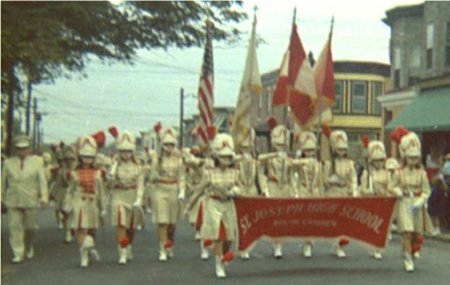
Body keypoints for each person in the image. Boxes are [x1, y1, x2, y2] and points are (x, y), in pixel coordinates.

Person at [186, 133, 241, 278]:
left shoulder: (235, 173)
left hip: (228, 204)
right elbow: (199, 191)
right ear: (216, 156)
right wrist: (188, 207)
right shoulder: (209, 174)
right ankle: (218, 263)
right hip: (213, 203)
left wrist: (235, 191)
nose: (226, 159)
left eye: (229, 157)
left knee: (229, 237)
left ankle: (223, 257)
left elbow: (240, 187)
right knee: (217, 235)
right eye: (223, 156)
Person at [1, 134, 48, 263]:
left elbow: (42, 182)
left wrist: (44, 197)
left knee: (30, 227)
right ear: (15, 149)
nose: (22, 151)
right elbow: (2, 182)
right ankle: (18, 252)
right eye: (19, 148)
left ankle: (29, 246)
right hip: (13, 200)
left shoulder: (37, 162)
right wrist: (1, 198)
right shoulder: (8, 163)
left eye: (24, 148)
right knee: (14, 227)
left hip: (30, 199)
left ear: (29, 149)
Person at [390, 127, 430, 272]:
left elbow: (426, 191)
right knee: (407, 232)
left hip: (417, 204)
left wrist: (420, 202)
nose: (413, 160)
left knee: (416, 234)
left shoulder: (422, 173)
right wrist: (398, 191)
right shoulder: (398, 172)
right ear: (404, 157)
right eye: (410, 157)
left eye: (416, 157)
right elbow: (391, 186)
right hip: (404, 202)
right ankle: (408, 260)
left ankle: (409, 251)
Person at [64, 135, 106, 268]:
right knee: (80, 229)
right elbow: (70, 191)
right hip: (79, 202)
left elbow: (101, 192)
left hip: (92, 203)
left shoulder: (98, 174)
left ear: (94, 158)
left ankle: (89, 249)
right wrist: (68, 204)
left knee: (91, 231)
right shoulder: (74, 173)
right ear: (80, 157)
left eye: (90, 157)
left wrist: (103, 206)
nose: (87, 160)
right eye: (84, 157)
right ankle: (83, 256)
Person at [259, 118, 297, 258]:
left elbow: (292, 175)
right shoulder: (269, 158)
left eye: (284, 145)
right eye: (279, 145)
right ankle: (276, 245)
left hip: (285, 188)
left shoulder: (288, 159)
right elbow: (260, 164)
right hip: (273, 187)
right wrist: (265, 190)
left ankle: (279, 245)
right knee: (274, 218)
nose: (281, 147)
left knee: (283, 219)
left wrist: (295, 191)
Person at [108, 130, 145, 265]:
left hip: (133, 195)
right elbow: (110, 184)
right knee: (120, 223)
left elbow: (141, 184)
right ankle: (122, 251)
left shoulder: (138, 166)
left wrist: (139, 199)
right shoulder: (115, 164)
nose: (126, 154)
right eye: (123, 151)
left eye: (128, 151)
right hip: (118, 195)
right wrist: (112, 169)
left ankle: (128, 245)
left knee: (131, 227)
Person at [150, 127, 185, 262]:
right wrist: (155, 175)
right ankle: (162, 249)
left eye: (171, 144)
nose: (169, 147)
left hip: (173, 190)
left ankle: (170, 243)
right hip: (160, 190)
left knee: (172, 224)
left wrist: (182, 191)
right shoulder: (157, 159)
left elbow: (182, 177)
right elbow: (151, 177)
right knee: (162, 222)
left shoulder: (178, 160)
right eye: (166, 144)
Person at [360, 140, 399, 259]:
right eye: (376, 160)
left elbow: (390, 187)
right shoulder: (367, 173)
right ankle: (374, 248)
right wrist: (367, 192)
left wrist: (390, 193)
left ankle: (377, 247)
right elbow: (362, 189)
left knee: (381, 227)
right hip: (372, 201)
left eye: (381, 160)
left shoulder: (387, 173)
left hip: (383, 202)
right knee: (373, 227)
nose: (379, 163)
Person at [323, 129, 357, 258]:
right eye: (339, 149)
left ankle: (341, 244)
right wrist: (330, 180)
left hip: (345, 192)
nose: (342, 151)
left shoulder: (350, 163)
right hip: (333, 192)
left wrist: (354, 192)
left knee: (345, 222)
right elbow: (324, 181)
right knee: (336, 222)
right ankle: (337, 245)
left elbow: (353, 179)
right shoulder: (328, 164)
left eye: (343, 149)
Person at [235, 128, 265, 260]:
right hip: (240, 192)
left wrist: (264, 190)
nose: (246, 150)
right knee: (239, 222)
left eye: (248, 147)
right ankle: (241, 246)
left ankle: (248, 247)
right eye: (243, 147)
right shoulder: (235, 161)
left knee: (251, 223)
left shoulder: (256, 162)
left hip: (252, 191)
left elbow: (260, 176)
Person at [292, 131, 323, 258]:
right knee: (305, 220)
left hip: (315, 191)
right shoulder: (299, 162)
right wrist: (300, 158)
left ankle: (310, 243)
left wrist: (322, 196)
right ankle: (306, 243)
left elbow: (320, 181)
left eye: (312, 150)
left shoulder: (318, 164)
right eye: (307, 150)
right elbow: (292, 168)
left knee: (314, 220)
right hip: (303, 190)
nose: (310, 153)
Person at [54, 146, 78, 242]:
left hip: (75, 193)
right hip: (63, 192)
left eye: (71, 159)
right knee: (65, 213)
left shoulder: (77, 170)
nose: (69, 161)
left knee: (74, 213)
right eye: (67, 159)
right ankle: (68, 229)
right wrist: (52, 195)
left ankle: (70, 231)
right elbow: (57, 183)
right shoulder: (61, 171)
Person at [428, 161, 450, 236]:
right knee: (434, 214)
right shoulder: (440, 174)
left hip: (439, 201)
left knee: (437, 215)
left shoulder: (445, 182)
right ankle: (434, 227)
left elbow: (445, 188)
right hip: (435, 200)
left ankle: (437, 228)